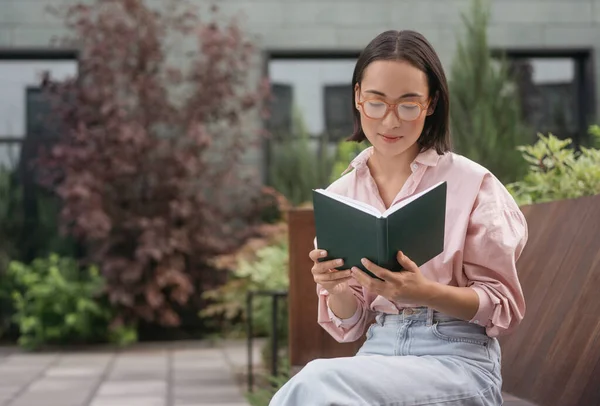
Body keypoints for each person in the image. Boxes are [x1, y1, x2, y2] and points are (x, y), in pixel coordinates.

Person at [269, 29, 528, 406]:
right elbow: (351, 325)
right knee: (319, 387)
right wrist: (337, 288)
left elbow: (502, 307)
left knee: (315, 384)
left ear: (432, 103)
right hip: (378, 354)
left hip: (457, 360)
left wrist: (423, 293)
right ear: (358, 97)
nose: (390, 122)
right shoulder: (343, 196)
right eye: (377, 103)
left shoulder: (472, 184)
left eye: (408, 105)